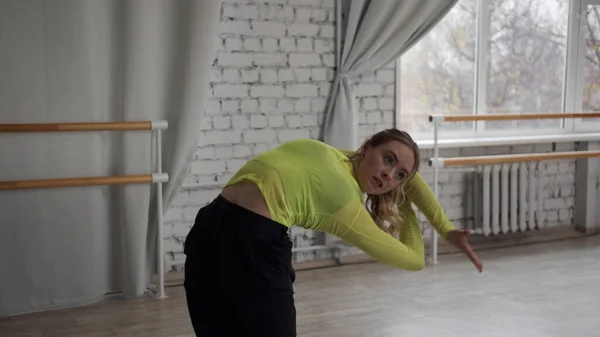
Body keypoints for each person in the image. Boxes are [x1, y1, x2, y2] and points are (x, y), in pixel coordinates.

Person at [183, 128, 482, 336]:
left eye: (398, 176)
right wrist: (419, 213)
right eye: (388, 160)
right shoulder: (344, 203)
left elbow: (406, 177)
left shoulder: (328, 152)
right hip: (251, 246)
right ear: (366, 148)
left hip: (209, 227)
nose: (388, 175)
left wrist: (441, 224)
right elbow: (415, 259)